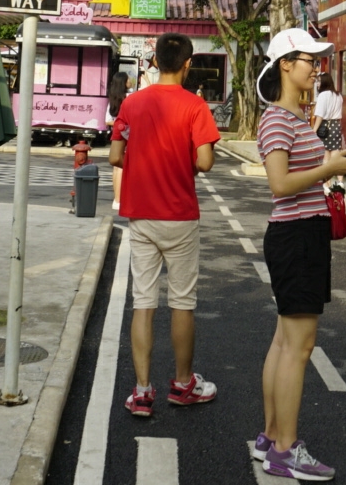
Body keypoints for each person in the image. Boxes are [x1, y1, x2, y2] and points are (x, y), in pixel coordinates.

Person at [253, 28, 346, 481]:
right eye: (308, 60)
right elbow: (279, 185)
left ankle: (272, 437)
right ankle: (284, 450)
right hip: (296, 237)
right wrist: (328, 168)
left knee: (284, 342)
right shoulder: (278, 119)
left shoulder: (297, 119)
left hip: (302, 235)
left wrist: (332, 163)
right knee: (299, 347)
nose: (315, 67)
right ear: (285, 65)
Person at [107, 33, 220, 418]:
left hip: (141, 216)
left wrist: (141, 163)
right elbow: (204, 162)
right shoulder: (195, 106)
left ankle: (141, 392)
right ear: (187, 64)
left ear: (154, 62)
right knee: (182, 303)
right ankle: (183, 384)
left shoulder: (132, 104)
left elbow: (115, 156)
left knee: (143, 303)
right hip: (181, 216)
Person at [311, 72, 344, 187]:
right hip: (336, 126)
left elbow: (319, 115)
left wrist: (314, 130)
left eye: (319, 81)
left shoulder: (323, 95)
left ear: (324, 82)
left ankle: (327, 184)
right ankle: (340, 182)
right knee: (336, 155)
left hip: (325, 127)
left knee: (325, 157)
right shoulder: (338, 95)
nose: (317, 84)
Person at [105, 71, 131, 212]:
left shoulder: (113, 99)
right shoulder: (129, 98)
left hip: (116, 133)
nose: (130, 81)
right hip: (128, 134)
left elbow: (107, 120)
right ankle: (121, 198)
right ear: (124, 82)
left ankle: (116, 198)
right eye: (128, 80)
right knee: (122, 165)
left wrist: (116, 124)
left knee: (116, 167)